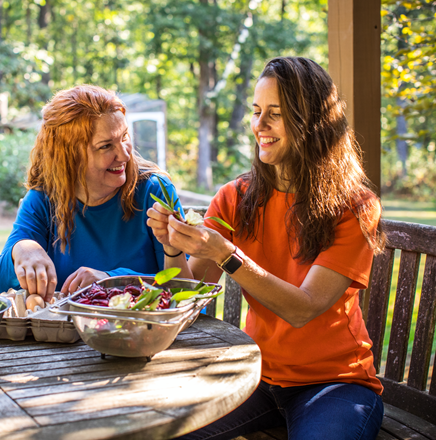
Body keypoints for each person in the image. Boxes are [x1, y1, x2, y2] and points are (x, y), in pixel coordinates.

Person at [147, 57, 387, 440]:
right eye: (257, 112)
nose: (259, 125)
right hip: (250, 376)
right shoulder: (235, 197)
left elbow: (303, 308)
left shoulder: (354, 207)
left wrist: (226, 253)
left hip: (334, 385)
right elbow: (188, 296)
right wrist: (173, 247)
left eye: (275, 114)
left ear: (312, 123)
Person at [0, 84, 182, 301]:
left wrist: (111, 280)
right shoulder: (44, 199)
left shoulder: (154, 191)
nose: (125, 155)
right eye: (106, 146)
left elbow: (183, 291)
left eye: (124, 136)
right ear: (69, 156)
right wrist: (20, 250)